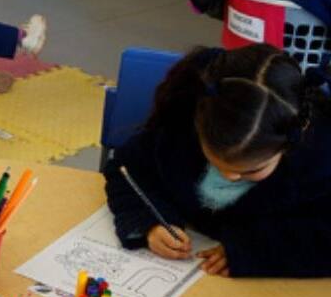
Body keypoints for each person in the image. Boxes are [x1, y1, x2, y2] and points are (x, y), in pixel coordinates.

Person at [104, 44, 331, 278]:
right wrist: (147, 222)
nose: (229, 177)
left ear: (289, 145)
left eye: (252, 170)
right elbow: (127, 172)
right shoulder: (181, 126)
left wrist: (255, 251)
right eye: (213, 160)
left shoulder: (319, 160)